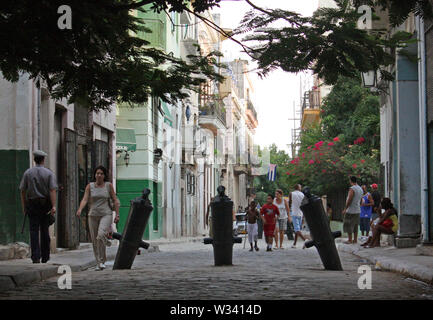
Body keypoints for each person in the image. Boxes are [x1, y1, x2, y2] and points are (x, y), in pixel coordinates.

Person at [76, 165, 119, 271]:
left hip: (106, 214)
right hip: (93, 215)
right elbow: (85, 199)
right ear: (95, 175)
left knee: (100, 235)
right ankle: (99, 262)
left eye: (101, 173)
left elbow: (115, 200)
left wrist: (117, 214)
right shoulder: (89, 186)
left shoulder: (108, 186)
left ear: (104, 176)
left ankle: (105, 243)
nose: (99, 175)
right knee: (95, 241)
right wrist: (80, 209)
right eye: (97, 173)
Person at [19, 150, 57, 264]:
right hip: (45, 204)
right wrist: (53, 206)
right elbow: (52, 190)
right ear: (43, 160)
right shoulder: (49, 173)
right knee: (45, 230)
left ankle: (35, 256)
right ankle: (45, 256)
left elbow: (22, 191)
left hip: (32, 204)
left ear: (35, 159)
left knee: (33, 231)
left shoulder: (27, 173)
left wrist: (24, 206)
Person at [342, 176, 363, 244]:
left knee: (348, 224)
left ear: (350, 181)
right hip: (357, 209)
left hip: (351, 210)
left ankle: (350, 239)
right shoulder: (360, 188)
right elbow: (361, 200)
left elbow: (350, 199)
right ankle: (355, 239)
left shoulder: (352, 189)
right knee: (355, 225)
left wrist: (345, 208)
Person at [290, 184, 306, 248]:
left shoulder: (291, 193)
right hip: (301, 213)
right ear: (299, 188)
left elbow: (290, 203)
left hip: (294, 213)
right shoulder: (302, 195)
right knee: (298, 229)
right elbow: (304, 204)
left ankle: (305, 240)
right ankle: (294, 244)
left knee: (297, 230)